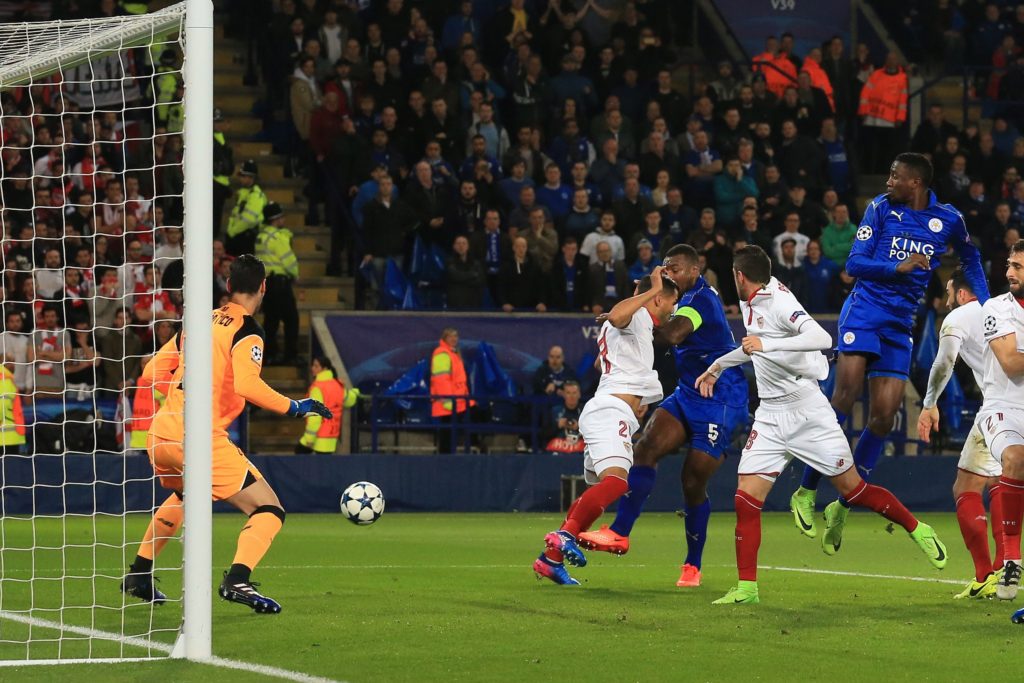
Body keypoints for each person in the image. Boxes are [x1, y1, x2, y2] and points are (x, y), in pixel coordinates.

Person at [695, 245, 947, 605]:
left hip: (807, 411)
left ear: (739, 276)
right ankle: (747, 589)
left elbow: (822, 338)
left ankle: (918, 529)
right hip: (770, 415)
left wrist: (765, 343)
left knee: (854, 491)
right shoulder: (753, 301)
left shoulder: (779, 300)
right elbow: (754, 348)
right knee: (746, 500)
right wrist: (720, 365)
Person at [791, 153, 989, 554]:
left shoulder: (948, 218)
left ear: (914, 183)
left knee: (884, 417)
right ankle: (805, 490)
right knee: (843, 397)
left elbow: (971, 257)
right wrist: (897, 268)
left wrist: (987, 308)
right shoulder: (880, 209)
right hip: (864, 312)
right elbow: (855, 263)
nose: (887, 181)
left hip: (900, 324)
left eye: (895, 176)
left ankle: (844, 504)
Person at [121, 255, 333, 614]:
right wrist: (296, 407)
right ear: (263, 287)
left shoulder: (198, 321)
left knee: (185, 495)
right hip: (198, 438)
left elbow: (150, 372)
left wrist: (177, 399)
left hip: (161, 435)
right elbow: (249, 385)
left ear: (229, 287)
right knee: (269, 508)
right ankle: (238, 579)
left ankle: (139, 573)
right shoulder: (248, 330)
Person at [578, 244, 749, 588]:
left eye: (674, 268)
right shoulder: (677, 298)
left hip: (721, 397)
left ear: (693, 272)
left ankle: (692, 564)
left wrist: (633, 315)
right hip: (690, 391)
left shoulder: (699, 301)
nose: (667, 272)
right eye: (665, 267)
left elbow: (669, 336)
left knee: (692, 480)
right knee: (645, 449)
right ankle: (619, 533)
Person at [534, 271, 680, 585]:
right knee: (615, 484)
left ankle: (551, 559)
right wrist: (651, 289)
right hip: (608, 412)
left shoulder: (641, 324)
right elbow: (616, 316)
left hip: (612, 413)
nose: (674, 308)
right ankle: (564, 535)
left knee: (605, 485)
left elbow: (611, 343)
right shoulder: (638, 315)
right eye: (672, 300)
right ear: (657, 297)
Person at [917, 272, 1003, 599]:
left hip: (1001, 407)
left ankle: (986, 573)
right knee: (1000, 485)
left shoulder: (959, 316)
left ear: (963, 293)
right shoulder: (1005, 310)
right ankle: (1004, 564)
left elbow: (944, 362)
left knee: (965, 487)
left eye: (950, 291)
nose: (947, 299)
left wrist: (929, 404)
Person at [978, 241, 1024, 601]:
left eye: (1018, 267)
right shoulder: (996, 307)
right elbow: (1010, 362)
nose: (1010, 272)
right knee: (1015, 457)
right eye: (1010, 264)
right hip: (1002, 407)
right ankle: (1011, 559)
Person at [255, 202, 299, 365]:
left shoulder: (261, 236)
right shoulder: (278, 237)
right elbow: (288, 260)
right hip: (280, 283)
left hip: (267, 283)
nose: (284, 219)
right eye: (281, 216)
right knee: (291, 320)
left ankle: (268, 355)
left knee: (271, 321)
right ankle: (290, 355)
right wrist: (295, 274)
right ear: (276, 219)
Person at [297, 356, 357, 455]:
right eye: (313, 365)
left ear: (324, 368)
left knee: (298, 458)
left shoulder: (317, 388)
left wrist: (309, 438)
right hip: (332, 437)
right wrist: (355, 392)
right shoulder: (338, 385)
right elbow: (350, 400)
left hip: (318, 437)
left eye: (316, 366)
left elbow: (315, 415)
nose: (313, 368)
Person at [430, 328, 476, 453]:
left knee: (450, 434)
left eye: (456, 336)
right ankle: (446, 461)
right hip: (449, 402)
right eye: (451, 336)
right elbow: (441, 379)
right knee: (447, 434)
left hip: (457, 401)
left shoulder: (452, 353)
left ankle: (448, 459)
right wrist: (449, 401)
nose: (454, 339)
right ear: (445, 338)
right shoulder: (442, 354)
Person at [225, 159, 267, 257]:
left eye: (243, 176)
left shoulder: (255, 195)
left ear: (251, 177)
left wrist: (232, 231)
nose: (240, 178)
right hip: (238, 236)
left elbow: (249, 220)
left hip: (246, 238)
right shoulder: (244, 193)